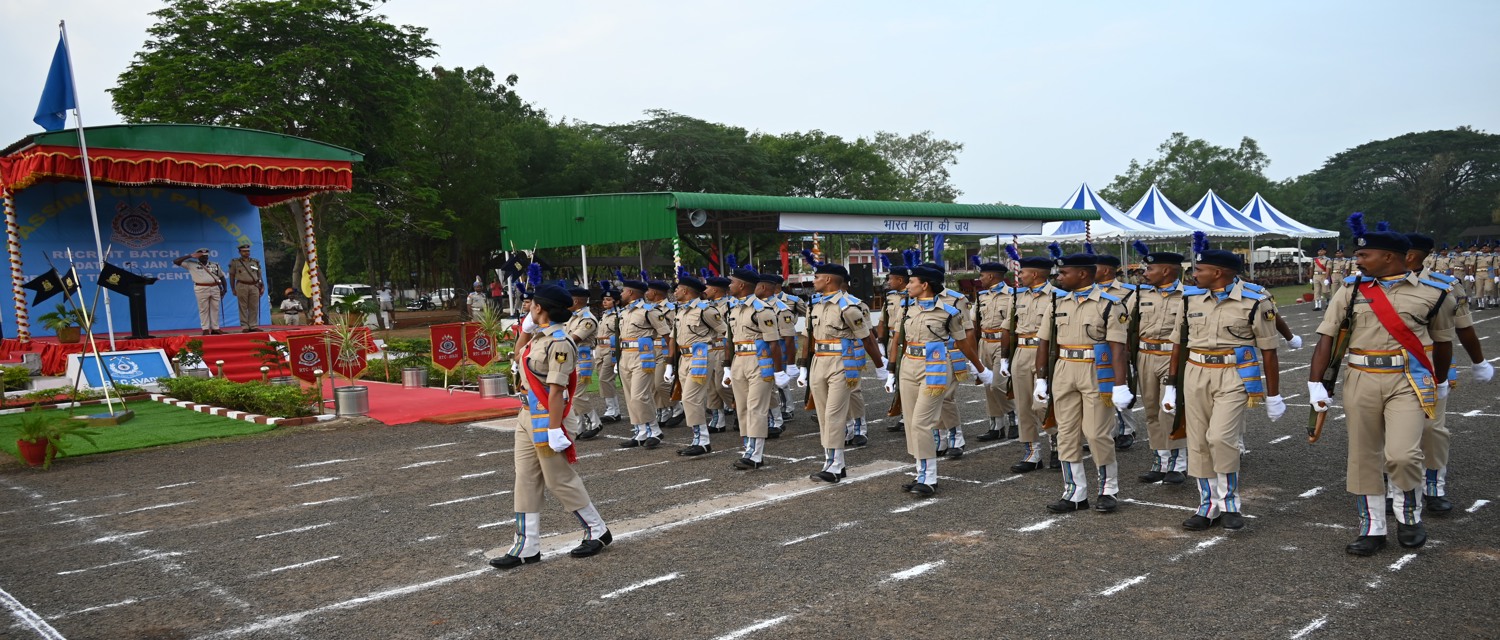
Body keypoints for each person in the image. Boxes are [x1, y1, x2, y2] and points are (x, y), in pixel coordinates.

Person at [1309, 221, 1453, 556]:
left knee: (1403, 454)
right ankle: (1371, 527)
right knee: (1363, 456)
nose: (1356, 259)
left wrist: (1441, 381)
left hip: (1409, 380)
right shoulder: (1350, 290)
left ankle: (1408, 515)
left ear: (1389, 256)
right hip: (1361, 377)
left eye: (1363, 254)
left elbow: (1443, 343)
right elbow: (1327, 338)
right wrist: (1316, 385)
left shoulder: (1435, 293)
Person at [488, 284, 612, 569]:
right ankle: (526, 546)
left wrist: (555, 428)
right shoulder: (537, 338)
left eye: (531, 304)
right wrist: (526, 329)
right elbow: (519, 355)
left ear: (540, 307)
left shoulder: (560, 342)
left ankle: (597, 529)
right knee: (526, 478)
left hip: (548, 416)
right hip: (527, 412)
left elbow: (556, 390)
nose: (528, 307)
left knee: (558, 478)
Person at [1165, 243, 1284, 531]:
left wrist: (1274, 394)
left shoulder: (1255, 300)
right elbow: (1178, 344)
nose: (1194, 274)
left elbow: (1268, 350)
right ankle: (1207, 506)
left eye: (1200, 269)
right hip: (1195, 373)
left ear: (1218, 273)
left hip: (1233, 374)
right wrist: (1171, 385)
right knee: (1199, 441)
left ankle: (1230, 503)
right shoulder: (1188, 299)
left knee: (1221, 438)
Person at [1404, 233, 1492, 515]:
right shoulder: (1374, 286)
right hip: (1384, 365)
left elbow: (1464, 327)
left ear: (1412, 255)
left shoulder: (1445, 286)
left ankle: (1433, 486)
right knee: (1386, 429)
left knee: (1431, 429)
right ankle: (1397, 480)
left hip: (1430, 365)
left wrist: (1478, 361)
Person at [1034, 251, 1128, 513]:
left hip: (1096, 370)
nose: (1058, 277)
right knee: (1066, 433)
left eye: (1064, 273)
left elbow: (1118, 347)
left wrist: (1120, 384)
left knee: (1097, 433)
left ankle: (1108, 490)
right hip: (1065, 368)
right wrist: (1040, 379)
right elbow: (1044, 342)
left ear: (1083, 274)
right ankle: (1075, 493)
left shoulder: (1110, 304)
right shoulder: (1056, 304)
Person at [892, 265, 990, 496]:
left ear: (924, 285)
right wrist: (890, 368)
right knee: (910, 422)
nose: (907, 286)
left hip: (935, 367)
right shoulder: (906, 308)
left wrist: (980, 369)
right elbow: (899, 339)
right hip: (908, 366)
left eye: (911, 282)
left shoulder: (949, 312)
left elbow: (963, 342)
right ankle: (920, 472)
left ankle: (930, 478)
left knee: (922, 422)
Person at [799, 264, 886, 482]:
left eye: (817, 277)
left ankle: (834, 465)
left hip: (842, 363)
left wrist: (880, 366)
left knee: (834, 414)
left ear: (829, 279)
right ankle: (834, 461)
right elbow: (808, 338)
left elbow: (867, 338)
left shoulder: (849, 306)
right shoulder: (815, 305)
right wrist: (802, 366)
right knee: (822, 415)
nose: (814, 280)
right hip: (819, 361)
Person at [1129, 245, 1192, 485]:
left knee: (1171, 410)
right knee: (1152, 410)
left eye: (1151, 268)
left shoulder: (1188, 296)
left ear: (1167, 271)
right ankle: (1161, 460)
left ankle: (1179, 462)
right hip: (1145, 356)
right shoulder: (1141, 295)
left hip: (1172, 357)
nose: (1146, 272)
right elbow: (1133, 329)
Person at [724, 268, 789, 469]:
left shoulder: (762, 310)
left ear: (742, 285)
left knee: (756, 407)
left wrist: (779, 371)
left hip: (759, 361)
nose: (729, 285)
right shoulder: (733, 308)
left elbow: (774, 343)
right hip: (739, 360)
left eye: (732, 282)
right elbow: (730, 340)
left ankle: (756, 454)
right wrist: (727, 367)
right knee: (742, 407)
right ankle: (748, 448)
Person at [1008, 254, 1060, 473]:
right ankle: (1032, 454)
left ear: (1035, 274)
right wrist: (1005, 358)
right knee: (1024, 405)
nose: (1019, 275)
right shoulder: (1018, 297)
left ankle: (1057, 447)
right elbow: (1009, 327)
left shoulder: (1058, 297)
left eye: (1023, 272)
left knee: (1046, 404)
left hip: (1045, 353)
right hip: (1022, 351)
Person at [669, 275, 727, 456]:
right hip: (684, 358)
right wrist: (670, 363)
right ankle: (699, 439)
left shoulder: (706, 310)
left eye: (677, 288)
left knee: (690, 398)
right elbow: (674, 337)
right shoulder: (680, 311)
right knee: (689, 398)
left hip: (700, 356)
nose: (675, 291)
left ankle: (702, 440)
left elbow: (725, 331)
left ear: (686, 290)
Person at [1092, 252, 1139, 451]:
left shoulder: (1129, 292)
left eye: (1094, 267)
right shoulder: (1089, 291)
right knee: (1099, 391)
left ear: (1106, 270)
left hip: (1119, 343)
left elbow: (1132, 322)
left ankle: (1127, 429)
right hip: (1096, 346)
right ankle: (1106, 431)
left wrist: (1128, 348)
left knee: (1119, 386)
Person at [616, 280, 670, 449]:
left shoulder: (650, 311)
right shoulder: (624, 312)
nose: (621, 294)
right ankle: (640, 431)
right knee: (630, 396)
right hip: (626, 356)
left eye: (624, 291)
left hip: (643, 356)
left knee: (640, 395)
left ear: (631, 293)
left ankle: (654, 430)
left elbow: (666, 335)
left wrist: (670, 361)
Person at [974, 261, 1017, 442]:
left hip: (1002, 342)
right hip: (985, 342)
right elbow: (975, 322)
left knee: (998, 384)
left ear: (991, 276)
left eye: (982, 275)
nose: (980, 278)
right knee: (988, 386)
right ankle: (996, 426)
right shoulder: (981, 296)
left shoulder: (1012, 295)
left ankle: (1015, 419)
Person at [755, 275, 800, 437]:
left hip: (778, 347)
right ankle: (773, 417)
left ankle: (779, 417)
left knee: (775, 385)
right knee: (767, 387)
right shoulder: (755, 305)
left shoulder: (781, 308)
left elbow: (788, 337)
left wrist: (790, 362)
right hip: (761, 349)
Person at [877, 265, 913, 433]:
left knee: (908, 379)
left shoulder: (913, 295)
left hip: (908, 341)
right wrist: (880, 345)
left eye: (891, 279)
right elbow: (883, 321)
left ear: (900, 280)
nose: (888, 282)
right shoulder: (890, 297)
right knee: (898, 379)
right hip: (893, 340)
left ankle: (910, 417)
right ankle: (904, 417)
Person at [584, 287, 623, 433]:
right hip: (600, 349)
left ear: (616, 301)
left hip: (610, 350)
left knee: (605, 379)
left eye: (608, 300)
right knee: (602, 379)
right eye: (604, 300)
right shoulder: (605, 315)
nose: (604, 302)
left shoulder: (619, 315)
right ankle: (612, 408)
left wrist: (615, 354)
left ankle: (613, 410)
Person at [564, 286, 601, 439]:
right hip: (571, 360)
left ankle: (594, 421)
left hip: (582, 360)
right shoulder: (572, 317)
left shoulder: (587, 319)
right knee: (571, 395)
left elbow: (573, 338)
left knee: (577, 395)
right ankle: (579, 427)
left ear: (576, 300)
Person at [645, 280, 681, 428]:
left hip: (666, 348)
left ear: (654, 292)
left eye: (648, 290)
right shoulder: (648, 308)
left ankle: (677, 407)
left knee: (661, 383)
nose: (646, 293)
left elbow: (676, 330)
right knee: (653, 384)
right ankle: (662, 410)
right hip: (651, 349)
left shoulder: (671, 309)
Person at [703, 276, 737, 434]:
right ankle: (718, 419)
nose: (705, 290)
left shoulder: (730, 305)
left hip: (723, 348)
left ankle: (739, 410)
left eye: (707, 287)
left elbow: (729, 330)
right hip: (709, 349)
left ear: (715, 289)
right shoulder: (706, 306)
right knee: (710, 387)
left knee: (722, 385)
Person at [174, 248, 226, 335]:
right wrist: (190, 256)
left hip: (215, 287)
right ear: (197, 257)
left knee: (215, 308)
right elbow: (176, 261)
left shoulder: (215, 264)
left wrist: (225, 289)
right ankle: (205, 329)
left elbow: (222, 277)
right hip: (201, 288)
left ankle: (215, 328)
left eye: (206, 256)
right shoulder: (191, 264)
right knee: (203, 309)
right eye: (202, 256)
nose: (205, 257)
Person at [1311, 245, 1333, 310]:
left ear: (1325, 251)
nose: (1320, 252)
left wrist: (1327, 278)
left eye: (1321, 251)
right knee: (1316, 291)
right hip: (1316, 275)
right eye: (1319, 251)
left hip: (1323, 275)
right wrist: (1310, 277)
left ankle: (1328, 300)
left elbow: (1328, 269)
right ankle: (1317, 305)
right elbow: (1311, 268)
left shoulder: (1328, 260)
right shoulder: (1314, 259)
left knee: (1325, 291)